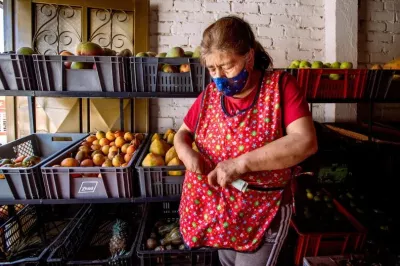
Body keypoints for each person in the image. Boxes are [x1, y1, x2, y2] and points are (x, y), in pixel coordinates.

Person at [174, 16, 317, 266]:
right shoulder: (209, 96)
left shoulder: (281, 88)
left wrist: (239, 164)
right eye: (212, 69)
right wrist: (187, 154)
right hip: (220, 215)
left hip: (262, 214)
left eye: (227, 67)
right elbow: (181, 134)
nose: (219, 78)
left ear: (249, 57)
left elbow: (305, 142)